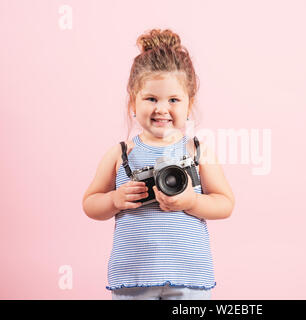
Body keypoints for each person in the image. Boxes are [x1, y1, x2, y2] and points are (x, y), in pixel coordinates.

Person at [82, 28, 235, 300]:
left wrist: (191, 202)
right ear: (133, 100)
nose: (161, 109)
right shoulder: (121, 154)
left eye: (173, 100)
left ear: (189, 104)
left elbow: (225, 203)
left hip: (189, 277)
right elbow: (90, 204)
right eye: (151, 98)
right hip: (133, 278)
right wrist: (115, 199)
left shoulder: (198, 151)